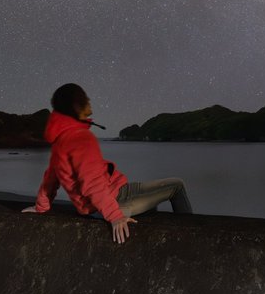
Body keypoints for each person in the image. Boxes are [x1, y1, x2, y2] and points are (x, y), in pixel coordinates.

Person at [23, 83, 192, 243]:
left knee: (151, 198)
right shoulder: (81, 138)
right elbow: (92, 184)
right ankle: (190, 237)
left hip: (116, 190)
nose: (89, 101)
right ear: (77, 106)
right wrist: (115, 216)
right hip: (114, 200)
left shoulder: (61, 141)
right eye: (85, 98)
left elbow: (50, 179)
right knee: (177, 185)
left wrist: (41, 207)